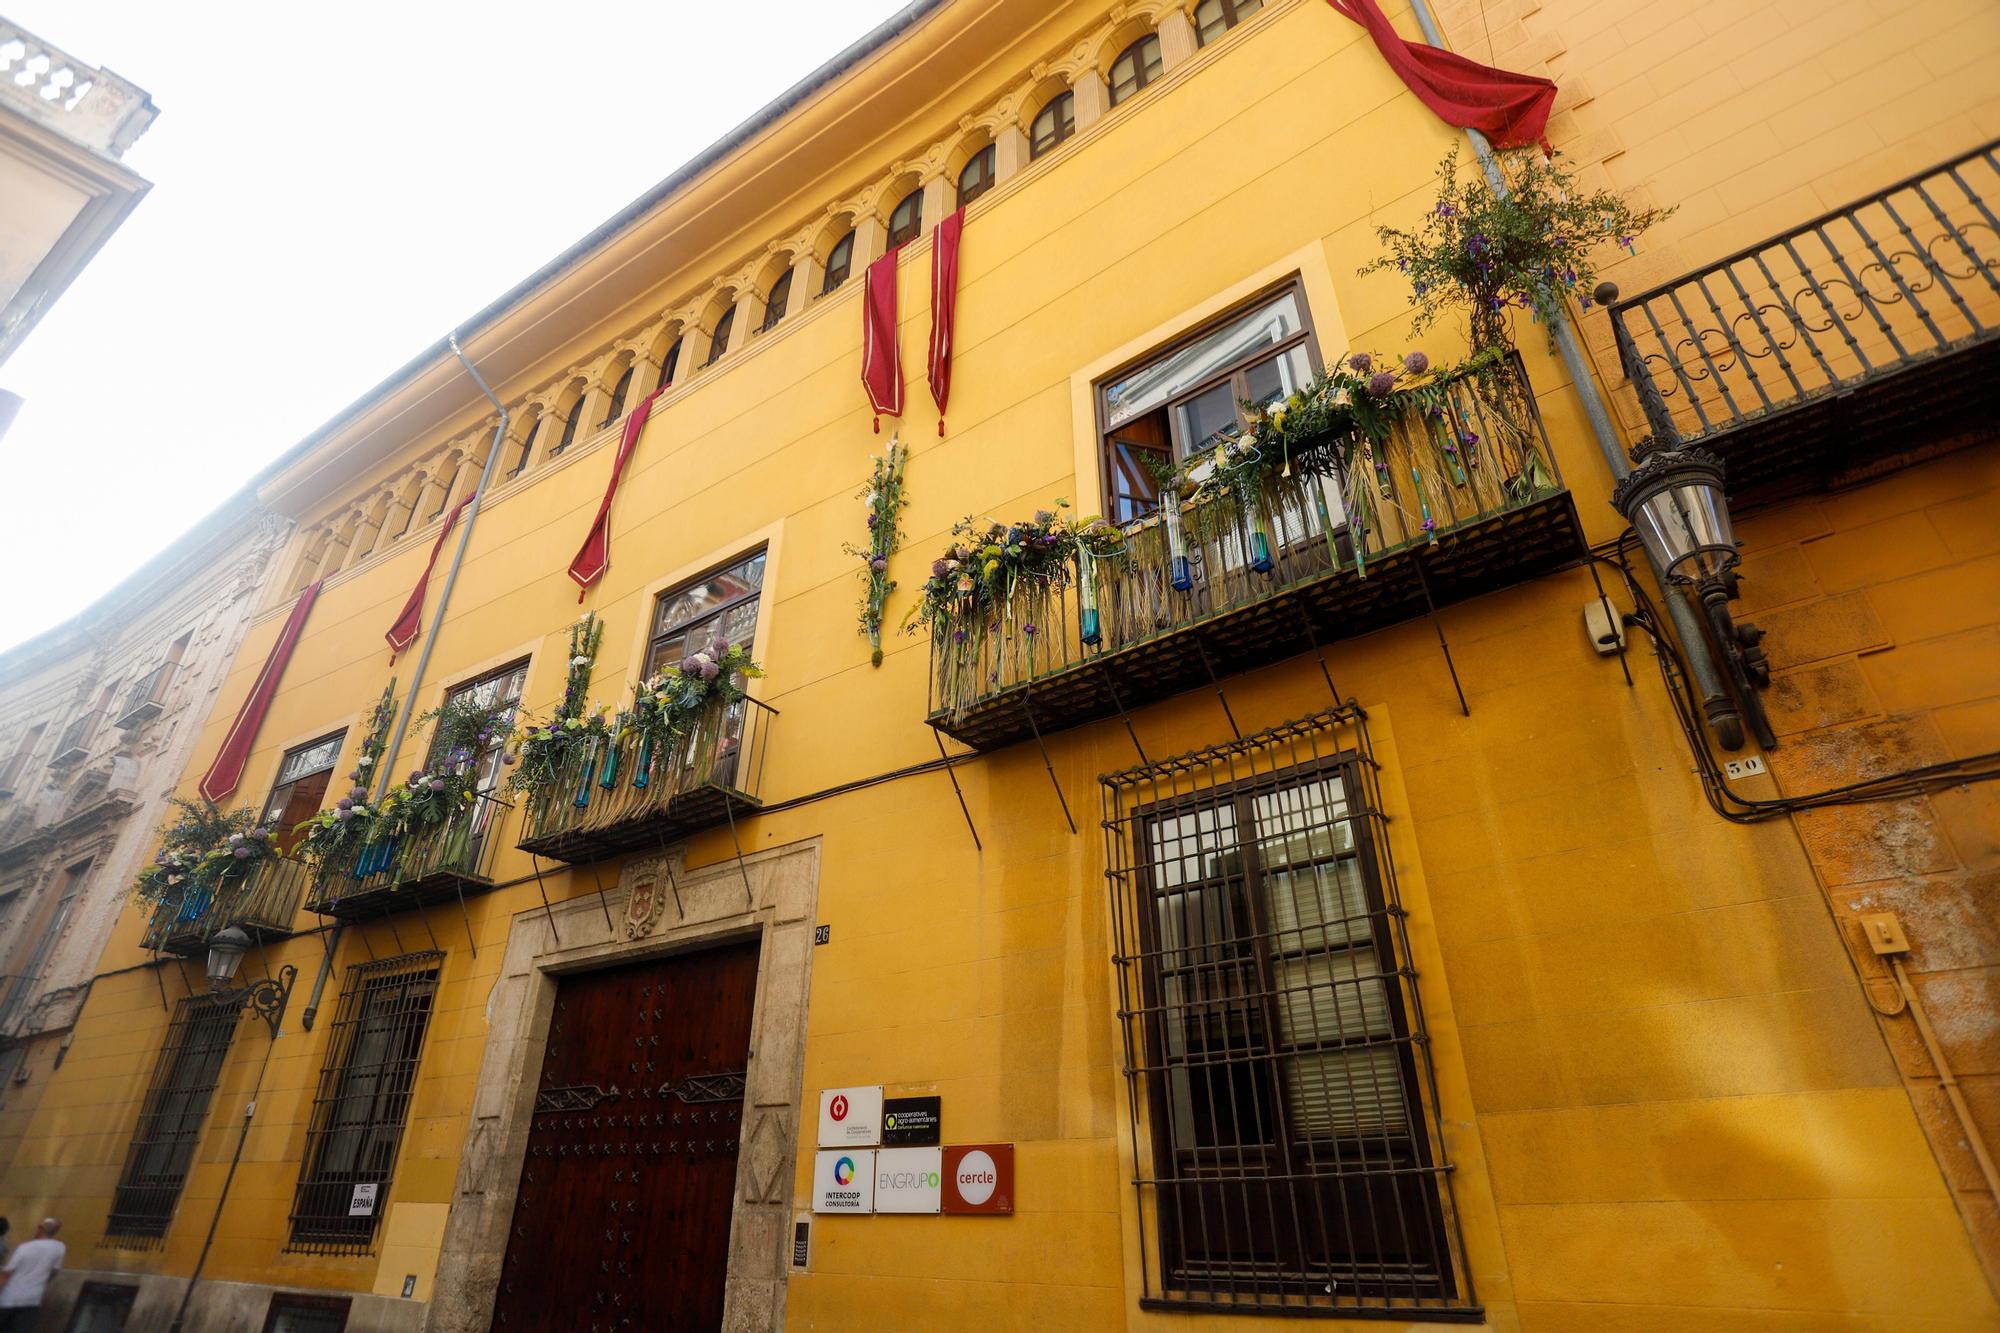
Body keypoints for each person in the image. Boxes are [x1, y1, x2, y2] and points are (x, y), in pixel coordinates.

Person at [0, 1218, 62, 1331]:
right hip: (33, 1300)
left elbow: (7, 1274)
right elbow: (54, 1271)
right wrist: (41, 1284)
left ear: (40, 1228)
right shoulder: (60, 1248)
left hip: (9, 1298)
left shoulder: (25, 1247)